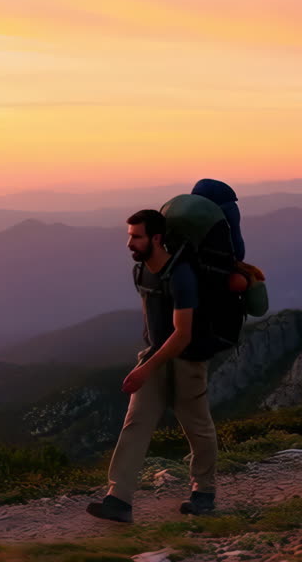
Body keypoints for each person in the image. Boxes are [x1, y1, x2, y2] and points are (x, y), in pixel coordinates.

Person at [86, 209, 219, 523]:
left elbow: (182, 334)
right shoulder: (141, 272)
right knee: (136, 423)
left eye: (136, 236)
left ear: (156, 238)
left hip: (187, 359)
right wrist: (148, 361)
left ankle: (204, 492)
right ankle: (118, 500)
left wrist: (146, 368)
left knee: (196, 426)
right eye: (129, 236)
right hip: (155, 356)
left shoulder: (181, 275)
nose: (129, 243)